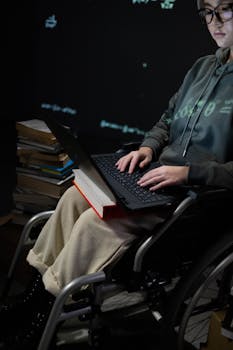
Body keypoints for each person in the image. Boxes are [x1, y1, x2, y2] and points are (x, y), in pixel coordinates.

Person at [1, 0, 233, 348]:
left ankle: (44, 314)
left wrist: (188, 172)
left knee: (95, 225)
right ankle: (35, 296)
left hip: (196, 199)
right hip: (156, 179)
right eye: (208, 12)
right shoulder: (201, 68)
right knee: (74, 197)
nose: (213, 21)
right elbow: (167, 120)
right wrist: (148, 148)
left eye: (225, 10)